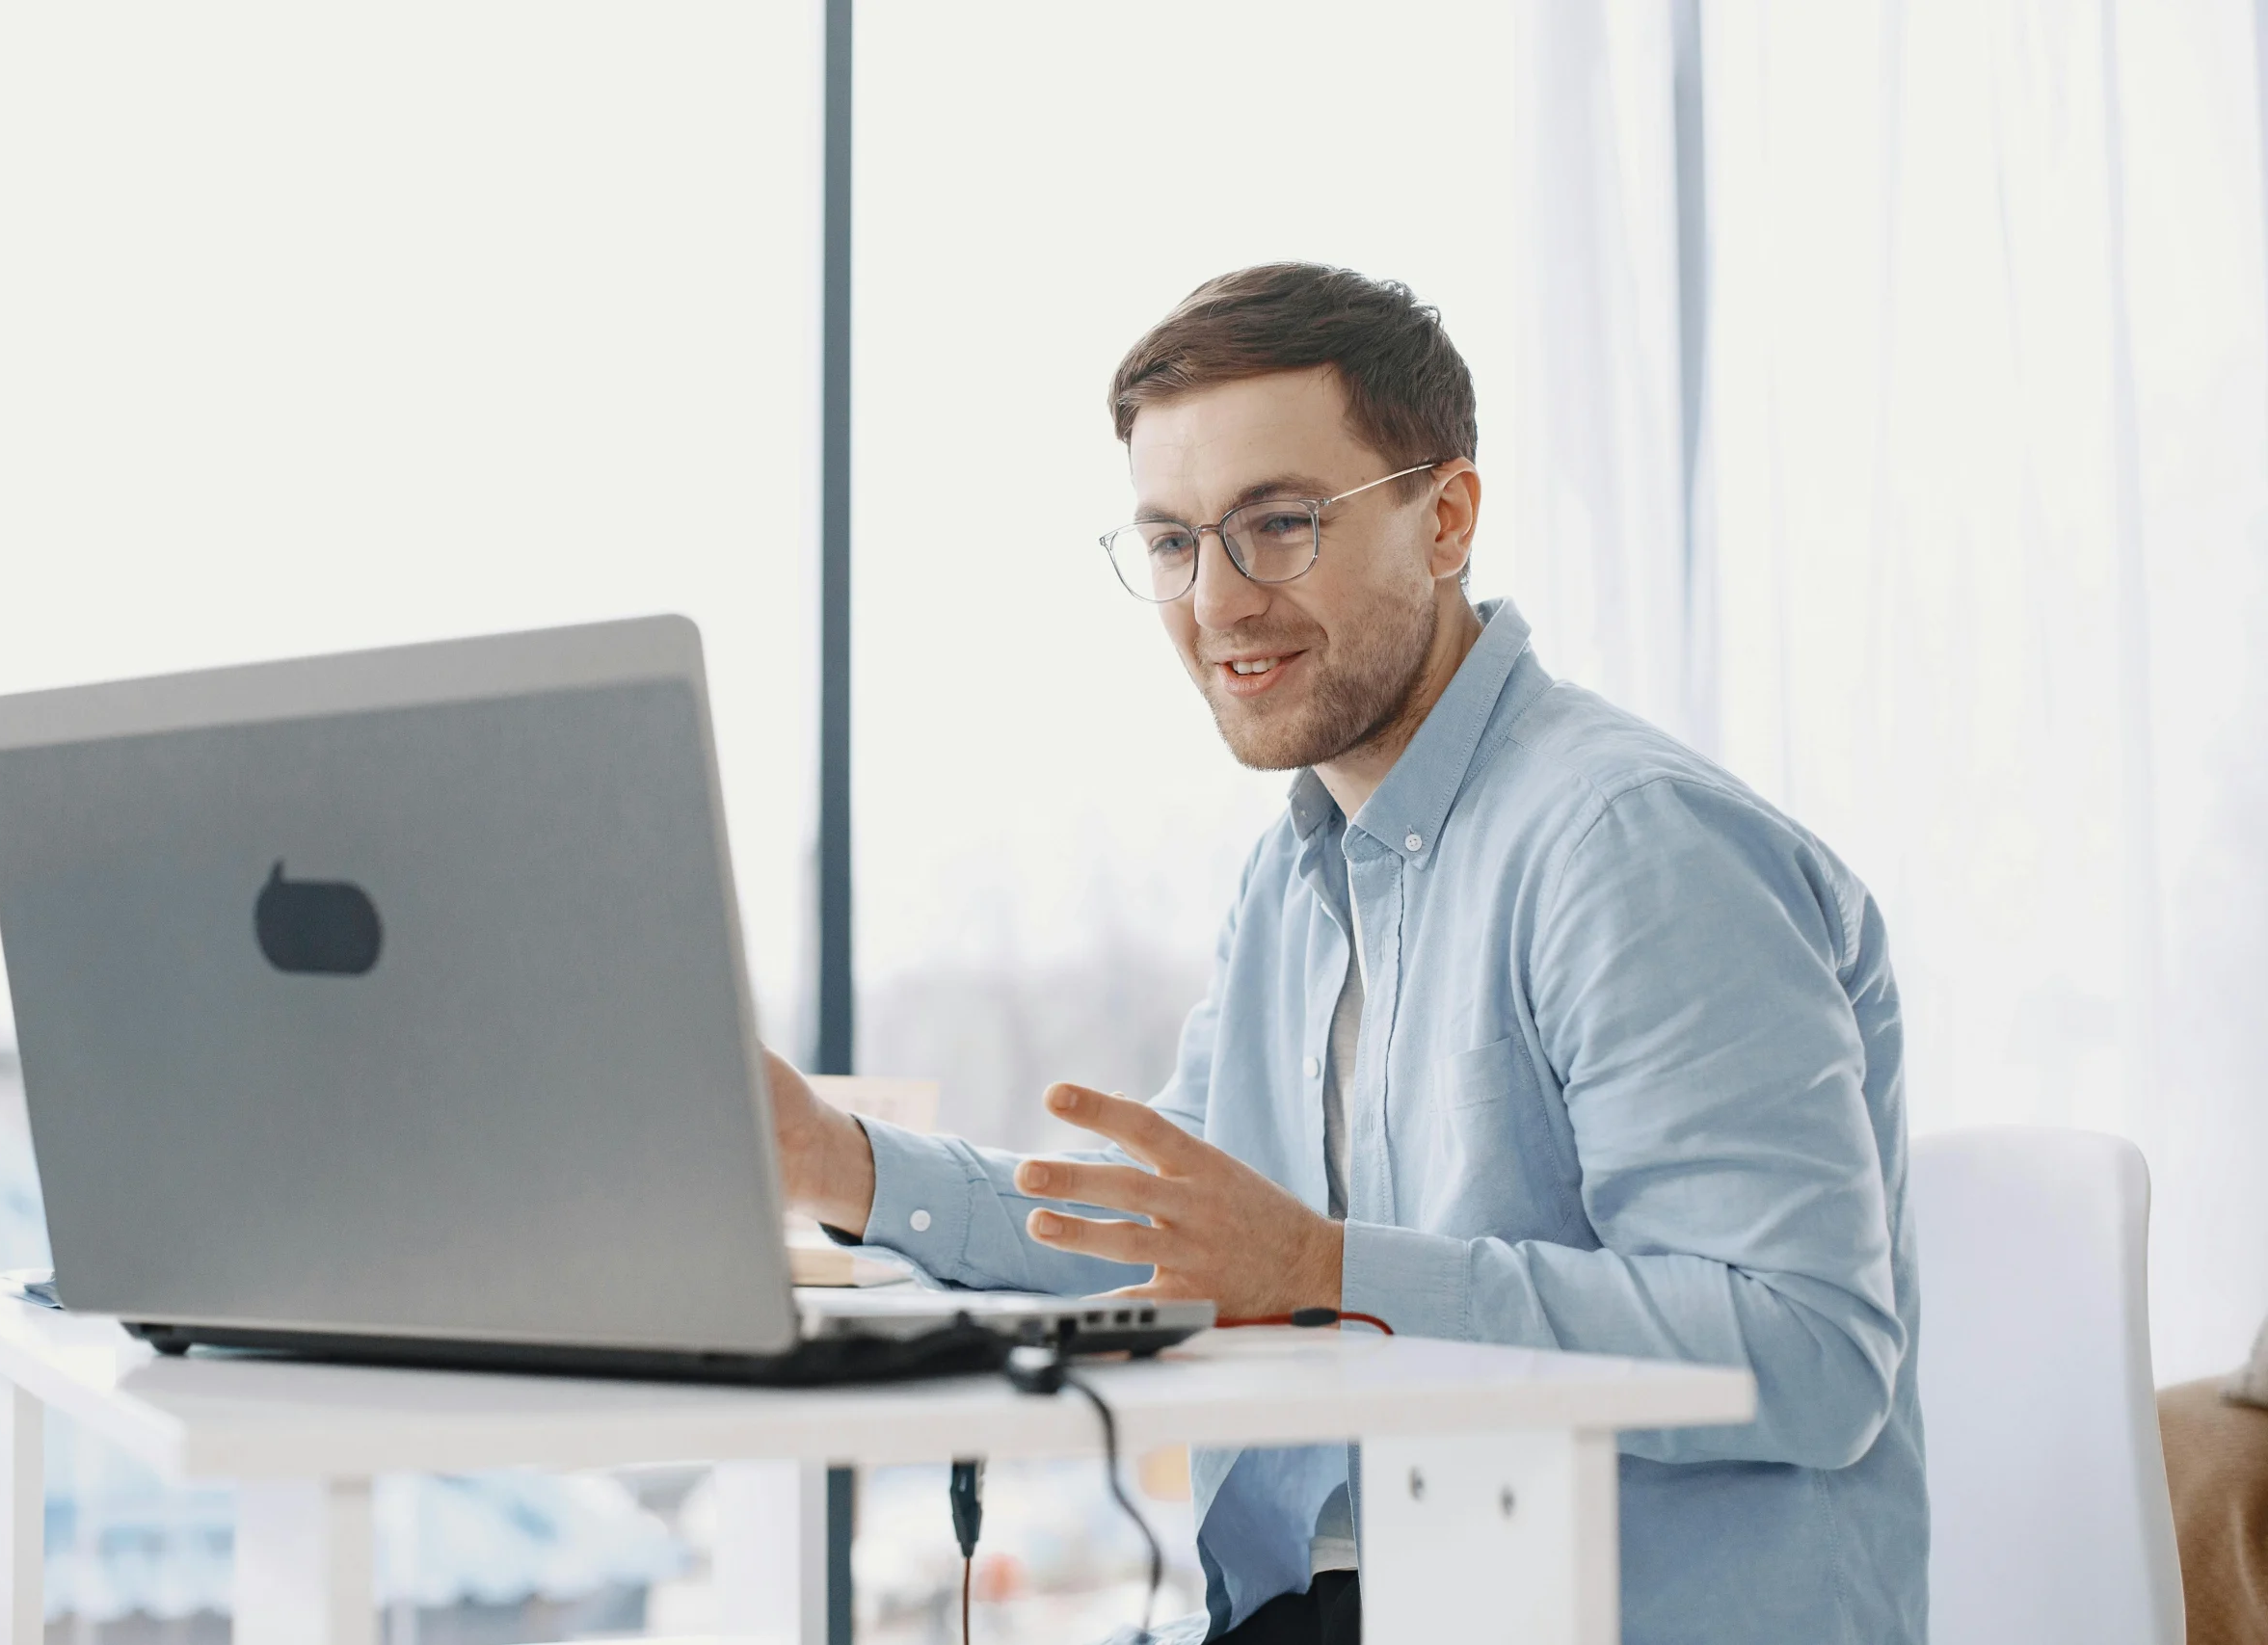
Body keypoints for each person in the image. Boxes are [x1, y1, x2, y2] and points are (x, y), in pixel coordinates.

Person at [765, 263, 1926, 1645]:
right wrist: (836, 1163)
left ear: (1447, 518)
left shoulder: (1628, 845)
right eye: (1175, 542)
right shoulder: (1296, 876)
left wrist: (1327, 1268)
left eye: (1279, 523)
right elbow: (1178, 1241)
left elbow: (1808, 1352)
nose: (1217, 602)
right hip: (1334, 1605)